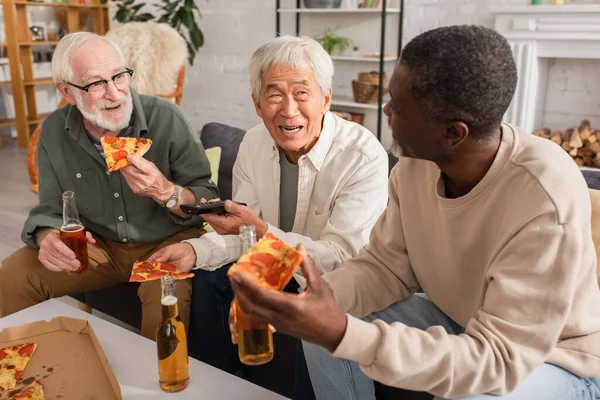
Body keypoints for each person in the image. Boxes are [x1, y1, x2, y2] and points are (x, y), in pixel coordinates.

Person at [228, 25, 600, 400]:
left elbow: (499, 361)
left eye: (399, 107)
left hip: (553, 361)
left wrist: (342, 331)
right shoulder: (417, 162)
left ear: (452, 133)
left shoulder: (543, 196)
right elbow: (384, 267)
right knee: (319, 328)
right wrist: (310, 306)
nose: (386, 110)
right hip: (458, 319)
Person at [148, 35, 389, 385]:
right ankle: (219, 384)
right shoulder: (254, 142)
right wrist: (192, 250)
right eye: (274, 94)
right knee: (210, 279)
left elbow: (342, 259)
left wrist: (262, 233)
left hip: (330, 283)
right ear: (257, 104)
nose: (288, 110)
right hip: (274, 267)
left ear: (325, 100)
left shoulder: (363, 156)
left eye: (302, 93)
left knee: (317, 323)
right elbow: (246, 239)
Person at [0, 32, 219, 340]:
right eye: (96, 83)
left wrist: (165, 192)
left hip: (164, 244)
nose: (115, 94)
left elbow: (210, 201)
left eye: (118, 76)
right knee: (13, 274)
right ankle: (12, 374)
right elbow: (50, 206)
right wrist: (47, 234)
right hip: (97, 247)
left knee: (165, 310)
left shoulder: (169, 119)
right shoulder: (52, 133)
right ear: (66, 90)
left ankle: (160, 383)